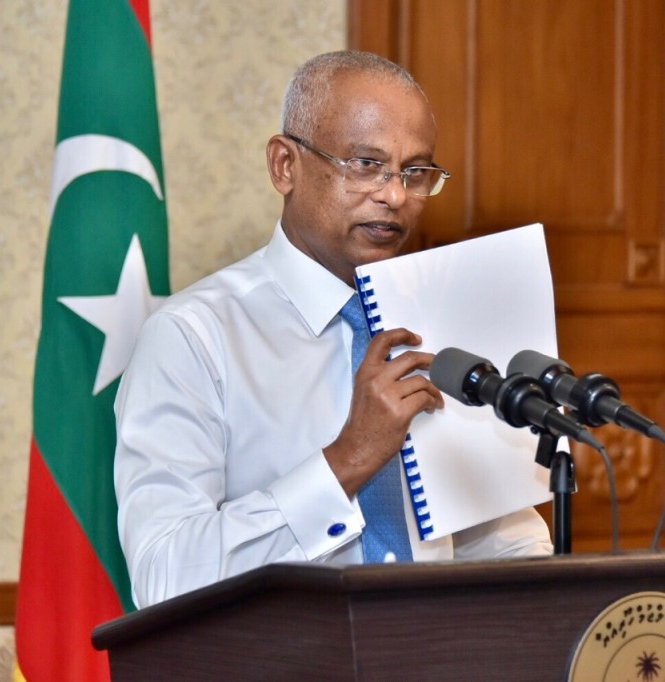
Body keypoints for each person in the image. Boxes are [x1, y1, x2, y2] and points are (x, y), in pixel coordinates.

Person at [114, 50, 553, 609]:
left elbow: (497, 540)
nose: (394, 196)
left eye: (415, 172)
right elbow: (164, 578)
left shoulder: (441, 325)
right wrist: (348, 458)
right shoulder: (192, 338)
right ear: (284, 165)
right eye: (366, 164)